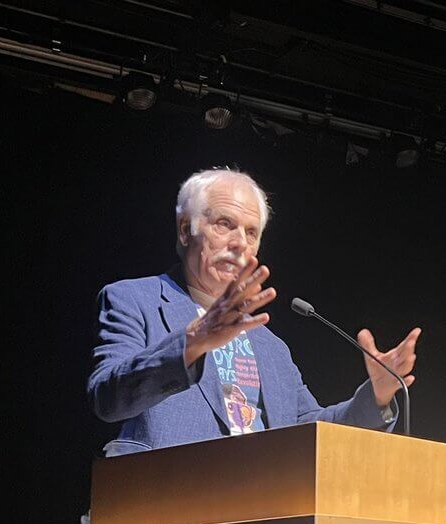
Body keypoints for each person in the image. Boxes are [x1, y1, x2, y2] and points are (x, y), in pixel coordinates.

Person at [88, 167, 420, 455]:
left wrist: (377, 393)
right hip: (159, 506)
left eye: (251, 233)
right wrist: (193, 342)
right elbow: (108, 397)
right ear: (185, 229)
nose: (240, 243)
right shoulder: (133, 300)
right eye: (224, 224)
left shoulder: (270, 346)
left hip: (255, 517)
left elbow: (308, 430)